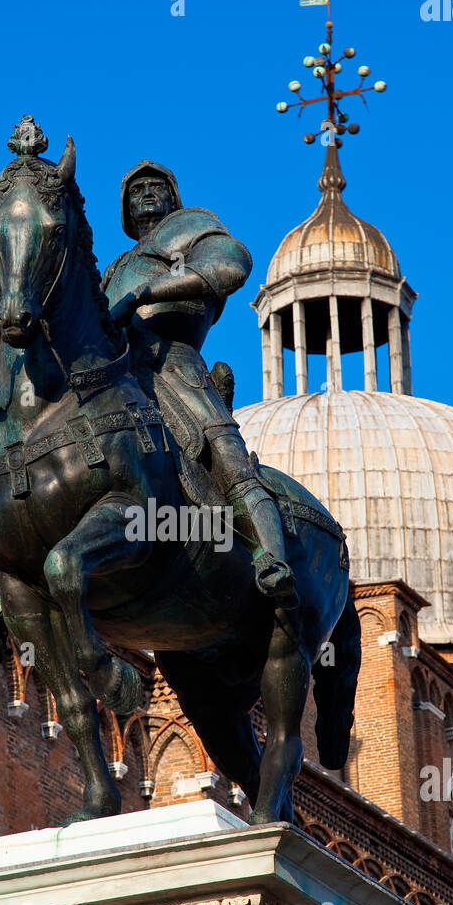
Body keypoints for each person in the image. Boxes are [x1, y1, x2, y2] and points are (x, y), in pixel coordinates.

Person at [102, 160, 296, 605]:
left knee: (226, 455)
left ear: (173, 197)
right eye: (136, 190)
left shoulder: (195, 229)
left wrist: (143, 294)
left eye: (156, 186)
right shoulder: (112, 270)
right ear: (125, 208)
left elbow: (232, 266)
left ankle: (271, 560)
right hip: (120, 375)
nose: (146, 194)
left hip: (175, 366)